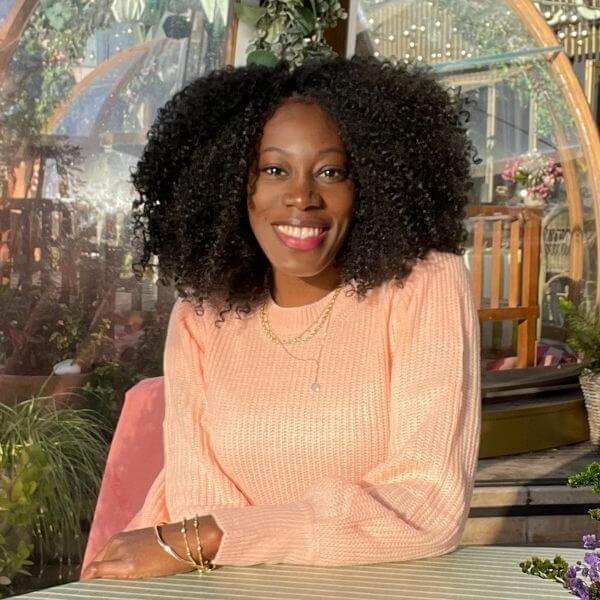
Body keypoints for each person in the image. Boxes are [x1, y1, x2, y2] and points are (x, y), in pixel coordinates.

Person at [81, 54, 482, 580]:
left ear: (370, 183)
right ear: (231, 184)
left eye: (331, 172)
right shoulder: (201, 317)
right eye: (273, 170)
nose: (301, 197)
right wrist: (216, 536)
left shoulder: (424, 286)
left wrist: (219, 535)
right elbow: (195, 498)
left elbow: (426, 503)